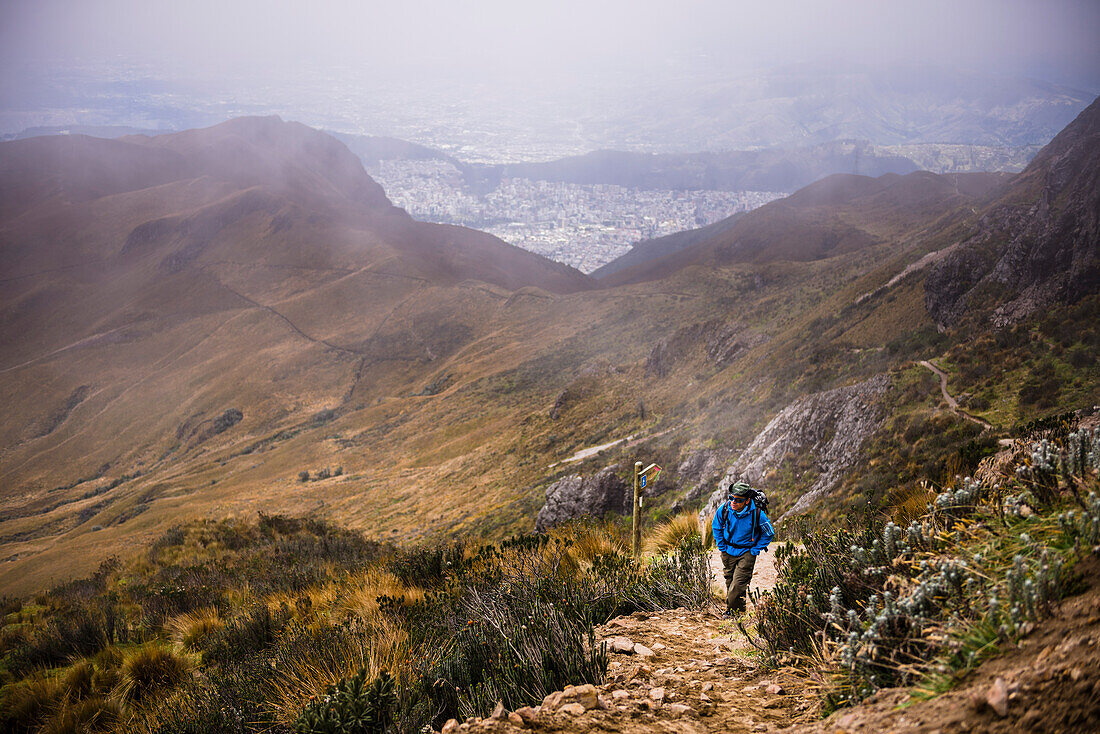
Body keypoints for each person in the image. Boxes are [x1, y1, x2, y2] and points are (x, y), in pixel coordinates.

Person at [712, 481, 774, 617]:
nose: (733, 502)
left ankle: (730, 612)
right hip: (728, 551)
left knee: (738, 584)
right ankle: (738, 611)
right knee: (730, 581)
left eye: (738, 500)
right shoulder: (725, 509)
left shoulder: (757, 513)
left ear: (747, 501)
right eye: (731, 498)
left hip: (747, 552)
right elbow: (716, 526)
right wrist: (722, 546)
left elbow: (769, 533)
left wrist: (755, 549)